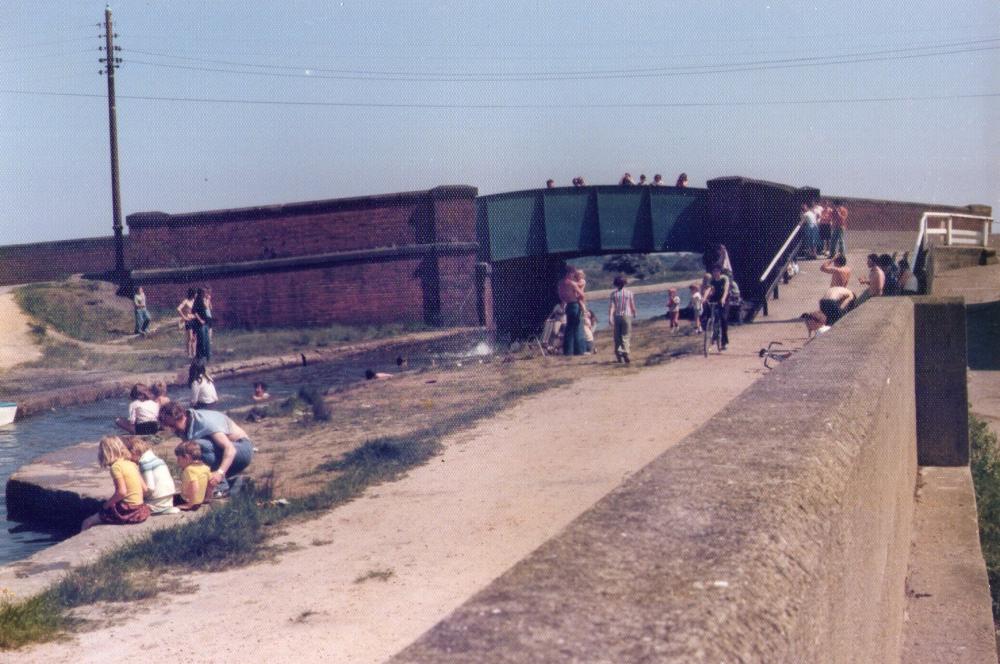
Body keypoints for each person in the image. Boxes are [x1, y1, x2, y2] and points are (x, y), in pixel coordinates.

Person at [157, 402, 254, 498]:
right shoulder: (184, 427)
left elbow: (230, 448)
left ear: (182, 416)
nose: (172, 430)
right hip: (225, 456)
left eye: (173, 425)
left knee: (197, 446)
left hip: (241, 449)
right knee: (188, 449)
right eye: (168, 426)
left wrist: (220, 473)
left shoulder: (203, 422)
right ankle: (235, 483)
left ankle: (220, 487)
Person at [81, 436, 151, 530]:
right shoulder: (131, 464)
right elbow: (145, 489)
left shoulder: (116, 467)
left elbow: (121, 492)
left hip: (128, 511)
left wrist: (107, 505)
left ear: (105, 453)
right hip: (140, 510)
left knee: (87, 521)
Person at [124, 436, 179, 515]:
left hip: (157, 500)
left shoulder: (145, 462)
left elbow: (150, 488)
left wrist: (140, 496)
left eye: (128, 456)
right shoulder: (155, 458)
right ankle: (164, 508)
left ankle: (160, 510)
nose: (129, 459)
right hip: (168, 497)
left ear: (134, 452)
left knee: (130, 507)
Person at [557, 265, 586, 356]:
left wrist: (566, 299)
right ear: (570, 273)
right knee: (577, 328)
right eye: (573, 273)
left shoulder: (561, 283)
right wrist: (579, 296)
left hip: (568, 306)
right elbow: (582, 295)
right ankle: (579, 351)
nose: (574, 275)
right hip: (575, 304)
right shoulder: (572, 284)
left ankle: (568, 351)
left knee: (569, 329)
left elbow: (561, 296)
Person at [175, 440, 212, 509]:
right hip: (199, 501)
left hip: (188, 500)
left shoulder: (189, 470)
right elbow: (211, 483)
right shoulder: (205, 467)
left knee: (170, 499)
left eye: (179, 459)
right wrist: (207, 497)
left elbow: (194, 486)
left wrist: (189, 504)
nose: (177, 462)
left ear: (186, 457)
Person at [608, 275, 637, 364]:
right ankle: (626, 352)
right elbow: (632, 305)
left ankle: (619, 353)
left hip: (617, 316)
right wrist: (634, 312)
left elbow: (612, 307)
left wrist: (610, 317)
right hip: (627, 315)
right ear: (625, 283)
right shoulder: (629, 293)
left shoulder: (613, 294)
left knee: (617, 336)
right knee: (626, 335)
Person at [704, 266, 731, 350]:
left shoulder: (724, 279)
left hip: (724, 300)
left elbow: (726, 290)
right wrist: (704, 298)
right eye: (714, 271)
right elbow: (708, 289)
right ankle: (711, 338)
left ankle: (724, 342)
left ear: (720, 271)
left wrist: (723, 298)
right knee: (710, 317)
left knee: (723, 319)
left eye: (717, 271)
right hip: (714, 299)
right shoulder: (712, 280)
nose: (715, 273)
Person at [192, 287, 212, 362]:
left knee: (207, 340)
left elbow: (208, 309)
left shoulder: (204, 300)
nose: (205, 294)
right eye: (204, 292)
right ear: (201, 293)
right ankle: (200, 356)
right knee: (202, 340)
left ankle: (207, 356)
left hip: (206, 323)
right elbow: (194, 311)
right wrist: (200, 320)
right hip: (201, 324)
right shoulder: (197, 301)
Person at [177, 288, 197, 358]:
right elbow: (179, 309)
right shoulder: (186, 301)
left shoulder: (195, 301)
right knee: (190, 338)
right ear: (192, 294)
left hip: (195, 320)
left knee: (194, 338)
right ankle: (189, 354)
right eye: (195, 293)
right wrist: (184, 317)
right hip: (188, 320)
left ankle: (194, 352)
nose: (196, 295)